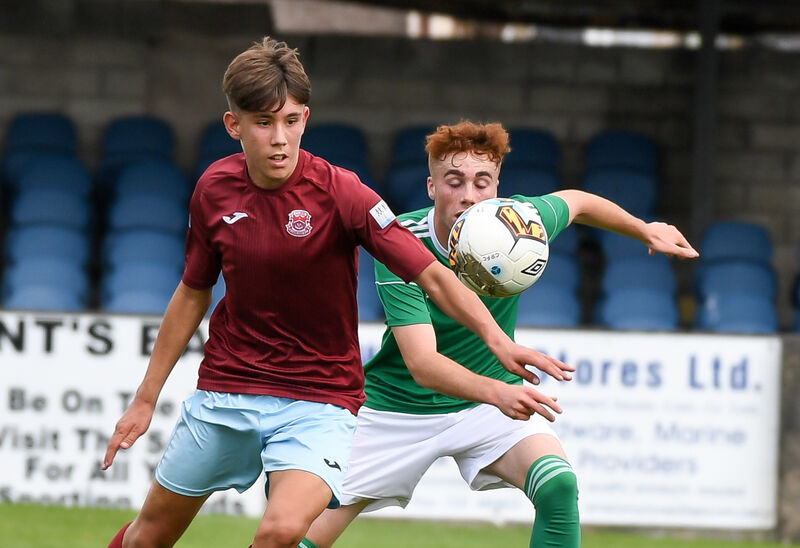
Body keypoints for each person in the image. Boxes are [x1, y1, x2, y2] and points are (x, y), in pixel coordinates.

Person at [102, 40, 574, 548]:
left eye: (290, 121)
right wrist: (146, 398)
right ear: (233, 125)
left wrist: (499, 344)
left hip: (320, 399)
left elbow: (432, 276)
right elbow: (193, 293)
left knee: (282, 531)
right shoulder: (213, 190)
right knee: (146, 539)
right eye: (263, 123)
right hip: (228, 389)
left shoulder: (343, 192)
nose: (279, 138)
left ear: (305, 117)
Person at [302, 121, 700, 548]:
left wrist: (644, 230)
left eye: (482, 182)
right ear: (432, 186)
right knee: (296, 536)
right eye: (454, 182)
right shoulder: (400, 242)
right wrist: (498, 392)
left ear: (497, 187)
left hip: (483, 407)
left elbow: (579, 202)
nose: (469, 195)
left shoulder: (519, 223)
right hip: (398, 409)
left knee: (558, 486)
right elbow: (423, 364)